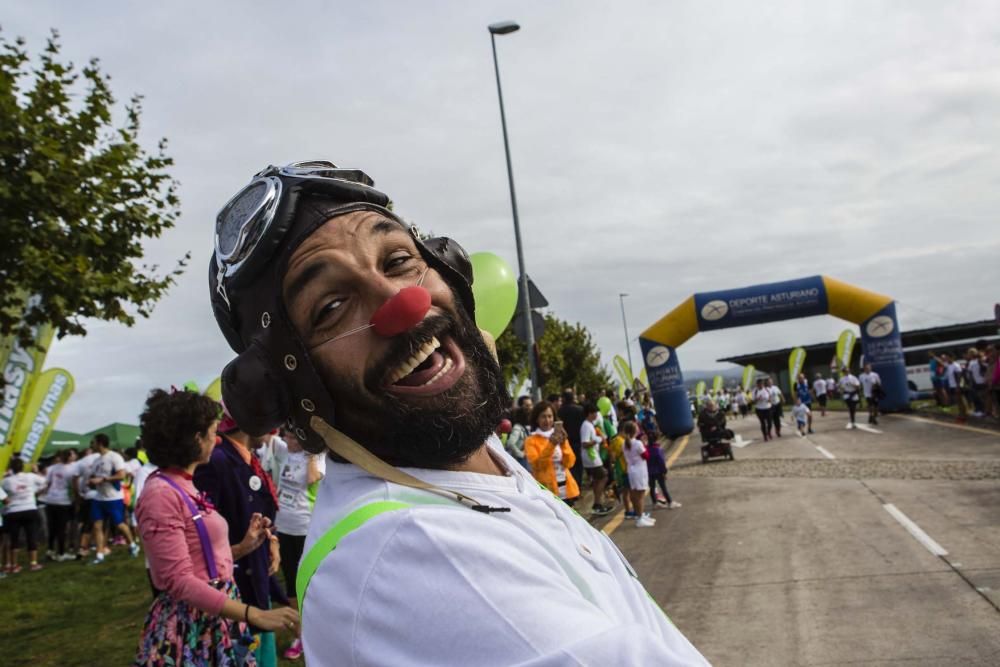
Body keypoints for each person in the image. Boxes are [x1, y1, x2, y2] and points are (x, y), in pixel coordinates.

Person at [206, 161, 708, 664]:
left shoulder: (461, 459)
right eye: (332, 307)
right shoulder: (410, 555)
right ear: (281, 390)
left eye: (399, 260)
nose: (404, 304)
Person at [134, 388, 298, 666]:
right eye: (212, 431)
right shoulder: (161, 493)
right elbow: (177, 580)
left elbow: (200, 559)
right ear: (196, 439)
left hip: (215, 614)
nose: (217, 438)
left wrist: (245, 545)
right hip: (192, 621)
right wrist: (252, 614)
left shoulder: (182, 483)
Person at [195, 409, 285, 667]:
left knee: (263, 646)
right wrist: (237, 550)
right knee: (244, 650)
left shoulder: (246, 457)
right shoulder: (218, 461)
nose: (272, 431)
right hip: (235, 580)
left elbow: (258, 508)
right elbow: (205, 528)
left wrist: (272, 541)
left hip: (256, 571)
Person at [272, 428, 325, 661]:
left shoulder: (317, 459)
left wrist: (311, 453)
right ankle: (300, 632)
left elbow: (313, 478)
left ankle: (317, 629)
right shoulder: (285, 452)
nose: (287, 440)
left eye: (292, 437)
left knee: (311, 582)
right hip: (284, 526)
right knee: (291, 581)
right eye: (286, 437)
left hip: (305, 527)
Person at [88, 433, 141, 564]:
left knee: (120, 524)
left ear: (100, 443)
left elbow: (122, 475)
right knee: (97, 525)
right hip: (99, 498)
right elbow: (95, 475)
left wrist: (103, 479)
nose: (91, 445)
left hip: (114, 497)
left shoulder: (114, 457)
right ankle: (99, 554)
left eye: (93, 442)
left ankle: (133, 545)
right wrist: (91, 481)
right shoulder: (96, 460)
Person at [525, 401, 580, 505]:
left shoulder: (559, 436)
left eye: (550, 416)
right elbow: (538, 465)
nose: (547, 420)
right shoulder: (531, 440)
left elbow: (570, 463)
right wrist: (551, 445)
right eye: (543, 417)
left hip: (566, 488)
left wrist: (563, 444)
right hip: (548, 490)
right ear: (537, 419)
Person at [1, 458, 47, 572]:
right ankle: (33, 563)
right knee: (32, 536)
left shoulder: (7, 481)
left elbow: (2, 493)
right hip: (30, 508)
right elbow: (45, 481)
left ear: (11, 468)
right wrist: (36, 490)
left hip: (13, 510)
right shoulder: (31, 476)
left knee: (14, 539)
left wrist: (5, 475)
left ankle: (14, 565)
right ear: (23, 466)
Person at [42, 450, 75, 561]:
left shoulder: (52, 468)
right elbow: (74, 485)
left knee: (52, 527)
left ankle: (50, 550)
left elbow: (48, 483)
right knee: (62, 528)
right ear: (70, 457)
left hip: (50, 499)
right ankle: (61, 553)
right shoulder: (72, 469)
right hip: (63, 500)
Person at [580, 403, 612, 516]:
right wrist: (598, 440)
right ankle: (597, 504)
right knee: (603, 476)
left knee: (598, 479)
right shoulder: (586, 426)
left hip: (592, 455)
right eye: (594, 413)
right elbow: (584, 443)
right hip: (591, 457)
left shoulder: (590, 424)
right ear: (590, 413)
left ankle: (598, 503)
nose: (596, 415)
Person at [621, 422, 654, 527]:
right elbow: (646, 456)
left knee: (634, 495)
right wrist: (645, 444)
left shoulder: (624, 444)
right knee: (640, 496)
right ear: (634, 431)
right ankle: (640, 518)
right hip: (640, 471)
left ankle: (640, 515)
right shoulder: (638, 443)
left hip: (631, 470)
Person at [557, 388, 586, 491]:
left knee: (569, 467)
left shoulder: (560, 411)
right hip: (579, 441)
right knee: (579, 466)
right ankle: (578, 487)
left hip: (566, 442)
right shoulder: (580, 410)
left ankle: (571, 488)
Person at [646, 437, 679, 509]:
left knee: (652, 488)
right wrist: (664, 471)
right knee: (663, 487)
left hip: (649, 472)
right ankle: (670, 502)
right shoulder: (658, 449)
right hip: (658, 471)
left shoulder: (646, 449)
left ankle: (655, 503)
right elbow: (661, 461)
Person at [504, 404, 531, 471]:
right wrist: (521, 454)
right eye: (528, 415)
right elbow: (510, 443)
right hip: (519, 460)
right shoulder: (517, 428)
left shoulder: (523, 427)